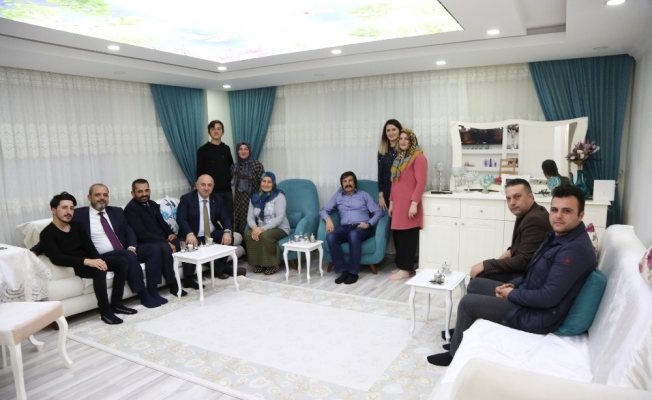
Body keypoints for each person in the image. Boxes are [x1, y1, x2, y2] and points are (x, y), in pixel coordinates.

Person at [427, 185, 597, 367]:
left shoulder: (573, 250)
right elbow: (533, 270)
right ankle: (462, 334)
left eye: (567, 211)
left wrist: (512, 294)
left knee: (468, 303)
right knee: (476, 285)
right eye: (554, 210)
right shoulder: (558, 237)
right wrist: (514, 284)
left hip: (538, 315)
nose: (558, 216)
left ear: (581, 215)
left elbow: (548, 297)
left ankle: (454, 355)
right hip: (529, 298)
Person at [39, 192, 134, 325]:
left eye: (71, 208)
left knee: (121, 261)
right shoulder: (47, 233)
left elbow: (90, 247)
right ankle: (105, 312)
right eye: (64, 208)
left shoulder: (77, 226)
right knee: (98, 270)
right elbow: (57, 258)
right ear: (53, 210)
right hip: (76, 265)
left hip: (89, 261)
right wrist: (87, 261)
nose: (69, 212)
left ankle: (117, 304)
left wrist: (98, 260)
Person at [72, 184, 166, 308]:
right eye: (98, 195)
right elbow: (62, 230)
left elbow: (129, 231)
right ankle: (143, 294)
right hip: (102, 256)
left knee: (153, 249)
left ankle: (152, 290)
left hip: (124, 250)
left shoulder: (116, 211)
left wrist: (132, 246)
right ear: (89, 197)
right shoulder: (78, 215)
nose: (102, 198)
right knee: (127, 255)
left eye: (105, 195)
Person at [469, 179, 551, 282]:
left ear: (530, 197)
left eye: (517, 197)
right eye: (508, 198)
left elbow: (523, 261)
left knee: (479, 276)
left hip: (528, 276)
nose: (512, 203)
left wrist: (486, 264)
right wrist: (511, 250)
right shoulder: (531, 211)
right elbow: (526, 245)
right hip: (526, 269)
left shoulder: (534, 219)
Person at [177, 174, 246, 285]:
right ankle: (221, 270)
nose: (206, 188)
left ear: (213, 187)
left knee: (228, 236)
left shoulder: (217, 199)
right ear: (196, 186)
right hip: (194, 235)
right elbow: (181, 219)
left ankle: (219, 269)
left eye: (209, 185)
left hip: (211, 234)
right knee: (193, 245)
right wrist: (189, 233)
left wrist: (227, 232)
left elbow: (225, 218)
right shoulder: (187, 199)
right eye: (203, 185)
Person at [124, 178, 187, 297]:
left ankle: (188, 278)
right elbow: (141, 233)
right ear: (133, 193)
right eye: (140, 191)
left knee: (184, 242)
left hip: (160, 239)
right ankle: (173, 285)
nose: (144, 194)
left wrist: (170, 233)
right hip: (145, 243)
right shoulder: (131, 209)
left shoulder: (152, 204)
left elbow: (162, 222)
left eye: (146, 190)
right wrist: (165, 241)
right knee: (165, 248)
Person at [320, 171, 383, 285]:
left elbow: (378, 212)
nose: (347, 183)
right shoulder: (338, 196)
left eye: (350, 180)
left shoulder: (364, 195)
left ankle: (353, 273)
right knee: (331, 237)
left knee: (353, 235)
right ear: (342, 184)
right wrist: (328, 220)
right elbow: (323, 210)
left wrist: (369, 223)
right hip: (345, 228)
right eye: (344, 181)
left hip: (362, 227)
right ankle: (343, 270)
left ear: (354, 183)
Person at [388, 129, 428, 280]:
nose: (403, 141)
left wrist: (414, 204)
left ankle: (406, 269)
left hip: (409, 204)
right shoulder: (400, 158)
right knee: (398, 235)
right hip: (398, 204)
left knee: (407, 237)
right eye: (401, 139)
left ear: (412, 141)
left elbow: (421, 183)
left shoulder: (419, 158)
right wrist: (391, 202)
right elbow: (394, 183)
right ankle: (401, 266)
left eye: (406, 139)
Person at [244, 172, 290, 275]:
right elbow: (250, 217)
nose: (266, 184)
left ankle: (273, 264)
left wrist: (262, 229)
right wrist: (255, 228)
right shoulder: (254, 197)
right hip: (260, 227)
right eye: (264, 181)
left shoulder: (279, 196)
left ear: (273, 183)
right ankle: (258, 263)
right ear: (260, 182)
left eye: (269, 182)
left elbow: (280, 217)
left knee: (265, 236)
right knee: (248, 234)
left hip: (280, 228)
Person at [196, 120, 235, 219]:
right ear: (209, 132)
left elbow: (232, 167)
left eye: (219, 129)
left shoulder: (226, 149)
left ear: (223, 131)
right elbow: (199, 172)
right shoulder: (202, 150)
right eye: (213, 129)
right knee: (212, 218)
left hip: (227, 191)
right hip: (210, 191)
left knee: (229, 218)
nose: (216, 131)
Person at [231, 142, 265, 236]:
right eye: (240, 149)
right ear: (237, 151)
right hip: (239, 201)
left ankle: (250, 243)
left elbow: (262, 184)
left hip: (252, 200)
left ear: (249, 151)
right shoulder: (235, 166)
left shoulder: (257, 165)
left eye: (246, 149)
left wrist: (260, 200)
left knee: (251, 223)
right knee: (238, 222)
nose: (243, 151)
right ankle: (240, 243)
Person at [377, 119, 402, 210]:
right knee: (391, 218)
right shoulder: (382, 151)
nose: (391, 133)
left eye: (393, 129)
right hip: (387, 193)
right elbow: (380, 173)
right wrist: (381, 195)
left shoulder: (404, 149)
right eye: (388, 130)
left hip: (401, 191)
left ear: (399, 131)